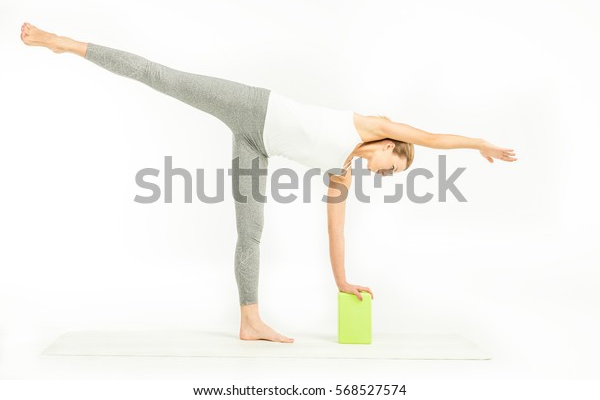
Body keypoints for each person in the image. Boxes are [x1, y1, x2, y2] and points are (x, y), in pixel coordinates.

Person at [20, 22, 517, 344]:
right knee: (161, 76)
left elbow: (336, 232)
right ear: (390, 147)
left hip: (255, 147)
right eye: (390, 168)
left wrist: (342, 282)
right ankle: (62, 43)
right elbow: (430, 136)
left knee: (251, 232)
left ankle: (249, 320)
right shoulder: (372, 124)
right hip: (251, 106)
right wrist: (479, 144)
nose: (383, 175)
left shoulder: (341, 173)